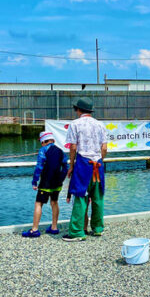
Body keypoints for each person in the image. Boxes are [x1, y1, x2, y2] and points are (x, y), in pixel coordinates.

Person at [62, 97, 108, 241]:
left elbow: (73, 147)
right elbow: (104, 148)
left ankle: (77, 232)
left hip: (83, 164)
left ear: (78, 109)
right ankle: (98, 228)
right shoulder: (100, 125)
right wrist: (99, 160)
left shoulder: (75, 124)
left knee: (81, 197)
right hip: (97, 164)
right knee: (98, 197)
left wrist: (71, 166)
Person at [22, 132, 68, 237]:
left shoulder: (43, 150)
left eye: (41, 142)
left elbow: (39, 167)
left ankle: (34, 230)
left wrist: (34, 181)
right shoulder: (60, 151)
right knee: (54, 202)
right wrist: (61, 179)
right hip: (57, 183)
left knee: (38, 204)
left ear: (44, 141)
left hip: (45, 182)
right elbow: (65, 167)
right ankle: (54, 227)